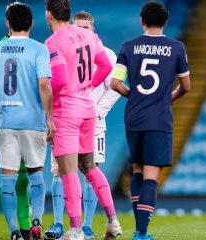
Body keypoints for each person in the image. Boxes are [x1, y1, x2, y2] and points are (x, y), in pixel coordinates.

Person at [110, 2, 191, 240]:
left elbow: (114, 83)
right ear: (165, 22)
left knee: (137, 169)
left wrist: (132, 94)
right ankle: (141, 232)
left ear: (142, 21)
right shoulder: (176, 47)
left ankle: (139, 228)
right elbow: (186, 86)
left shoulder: (129, 47)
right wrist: (168, 99)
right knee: (151, 175)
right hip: (159, 118)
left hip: (134, 116)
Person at [44, 0, 120, 239]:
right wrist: (88, 86)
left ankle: (75, 230)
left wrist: (46, 110)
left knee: (67, 172)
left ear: (49, 16)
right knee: (89, 166)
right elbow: (106, 65)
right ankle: (113, 221)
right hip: (88, 109)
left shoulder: (53, 42)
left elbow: (57, 81)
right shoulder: (89, 37)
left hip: (66, 111)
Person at [0, 2, 55, 240]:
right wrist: (50, 118)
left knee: (8, 180)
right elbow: (44, 84)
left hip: (6, 123)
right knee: (35, 177)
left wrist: (0, 110)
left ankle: (14, 231)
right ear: (32, 24)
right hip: (33, 122)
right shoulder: (39, 49)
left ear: (7, 23)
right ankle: (35, 223)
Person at [0, 34, 32, 240]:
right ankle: (24, 230)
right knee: (20, 176)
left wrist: (1, 112)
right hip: (22, 120)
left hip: (10, 119)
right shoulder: (25, 48)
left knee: (19, 177)